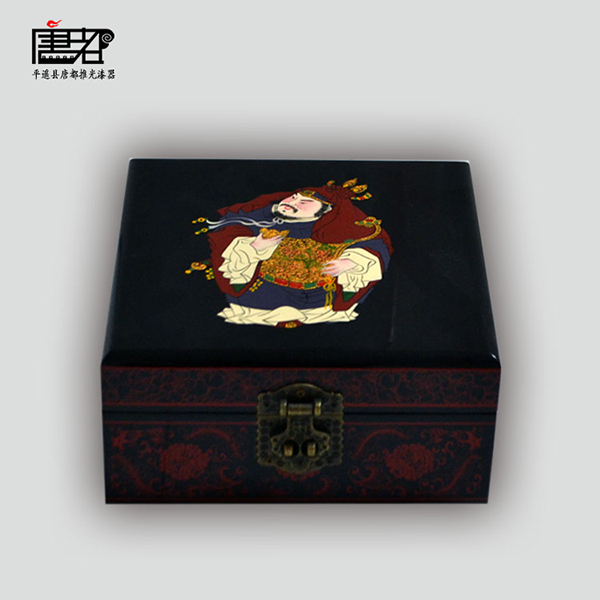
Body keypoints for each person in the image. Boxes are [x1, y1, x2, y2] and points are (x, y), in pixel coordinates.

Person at [205, 180, 393, 326]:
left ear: (324, 212)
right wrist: (253, 248)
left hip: (320, 301)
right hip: (263, 297)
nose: (292, 202)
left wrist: (351, 262)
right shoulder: (257, 221)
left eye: (304, 202)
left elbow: (374, 245)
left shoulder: (336, 230)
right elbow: (226, 236)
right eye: (293, 197)